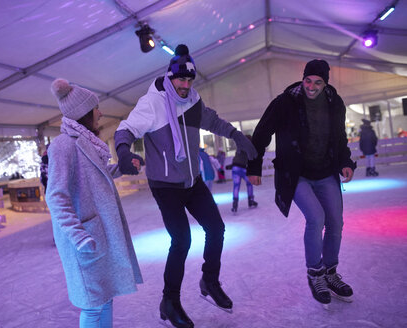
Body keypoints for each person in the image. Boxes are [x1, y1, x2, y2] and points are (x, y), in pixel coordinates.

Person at [114, 44, 257, 327]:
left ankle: (210, 281)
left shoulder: (192, 100)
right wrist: (123, 151)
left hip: (192, 181)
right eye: (180, 79)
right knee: (181, 239)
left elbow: (212, 120)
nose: (185, 84)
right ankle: (170, 301)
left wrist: (237, 136)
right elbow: (125, 129)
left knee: (216, 228)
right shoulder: (153, 103)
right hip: (165, 185)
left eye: (190, 79)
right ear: (170, 77)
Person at [247, 59, 356, 308]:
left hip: (326, 171)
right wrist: (254, 166)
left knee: (336, 222)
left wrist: (345, 162)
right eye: (308, 80)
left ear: (325, 83)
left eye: (318, 82)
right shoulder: (285, 102)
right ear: (303, 78)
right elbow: (262, 133)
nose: (311, 86)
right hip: (295, 174)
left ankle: (330, 272)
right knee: (316, 218)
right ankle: (315, 273)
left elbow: (340, 137)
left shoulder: (334, 102)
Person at [46, 78, 143, 328]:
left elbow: (93, 178)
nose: (100, 113)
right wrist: (78, 236)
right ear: (83, 113)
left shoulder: (87, 142)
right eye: (95, 108)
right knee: (93, 305)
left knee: (105, 298)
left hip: (97, 235)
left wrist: (120, 168)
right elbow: (55, 196)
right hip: (85, 239)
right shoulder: (62, 146)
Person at [225, 137, 258, 213]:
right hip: (243, 169)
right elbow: (253, 158)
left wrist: (231, 166)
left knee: (236, 186)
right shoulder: (250, 147)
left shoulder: (239, 146)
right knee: (249, 184)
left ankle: (235, 205)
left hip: (235, 168)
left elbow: (237, 159)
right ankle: (251, 201)